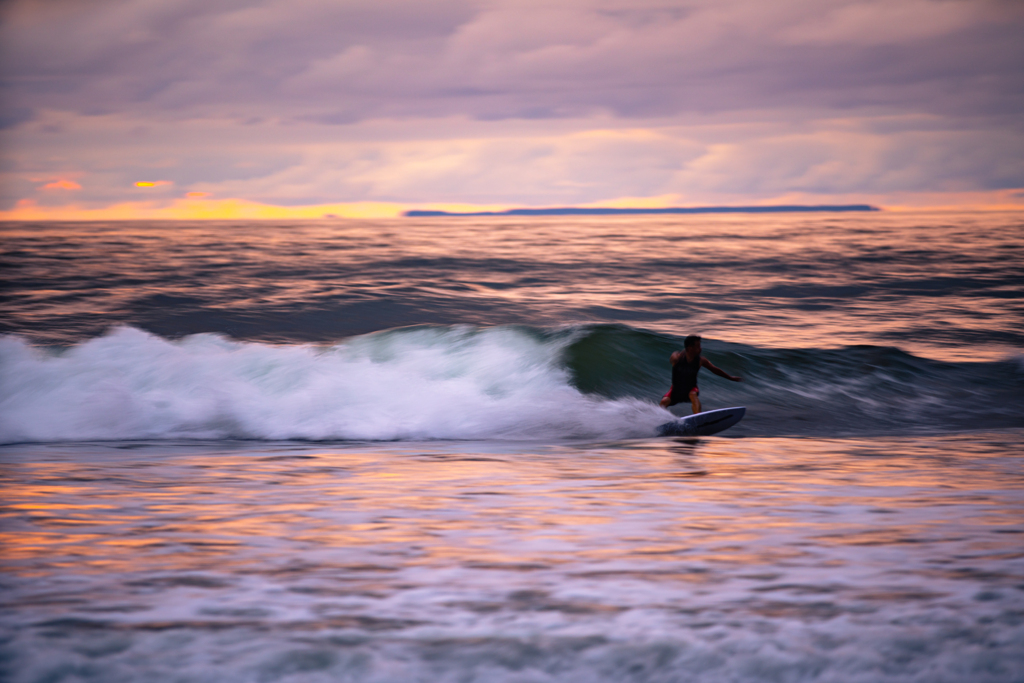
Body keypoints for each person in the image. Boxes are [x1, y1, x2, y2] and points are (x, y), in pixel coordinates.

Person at [660, 335, 741, 414]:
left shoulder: (701, 360)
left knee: (692, 394)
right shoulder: (677, 357)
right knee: (664, 401)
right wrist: (676, 355)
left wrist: (730, 378)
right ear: (690, 348)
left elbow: (715, 369)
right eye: (698, 346)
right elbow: (673, 358)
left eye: (700, 346)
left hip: (691, 388)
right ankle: (657, 421)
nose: (700, 348)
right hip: (676, 390)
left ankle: (698, 417)